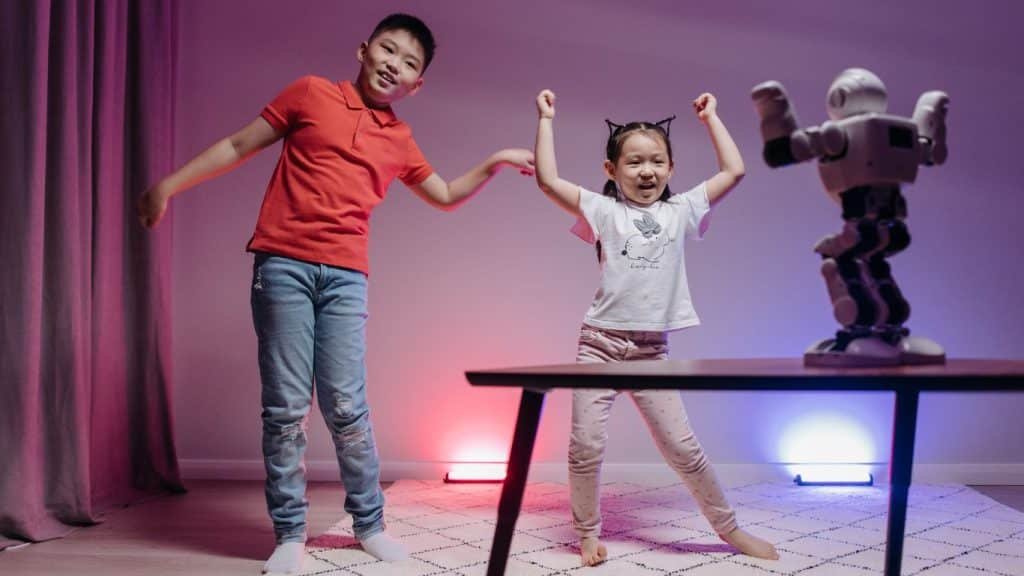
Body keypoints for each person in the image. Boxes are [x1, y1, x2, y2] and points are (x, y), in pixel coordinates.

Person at [138, 13, 534, 575]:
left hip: (346, 278)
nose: (394, 65)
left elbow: (444, 194)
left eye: (409, 63)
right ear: (364, 49)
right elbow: (238, 144)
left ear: (417, 84)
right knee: (286, 409)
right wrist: (168, 187)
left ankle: (369, 525)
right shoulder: (310, 93)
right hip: (283, 266)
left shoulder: (399, 139)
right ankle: (289, 535)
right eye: (388, 50)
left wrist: (494, 162)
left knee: (348, 406)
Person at [532, 88, 779, 566]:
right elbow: (547, 181)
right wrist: (545, 119)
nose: (646, 171)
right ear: (611, 170)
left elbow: (735, 171)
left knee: (683, 449)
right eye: (634, 162)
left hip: (650, 352)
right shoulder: (604, 211)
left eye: (657, 162)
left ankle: (729, 528)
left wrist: (711, 119)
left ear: (670, 168)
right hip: (599, 345)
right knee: (585, 446)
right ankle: (587, 535)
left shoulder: (680, 211)